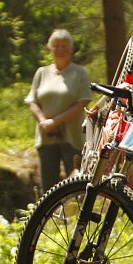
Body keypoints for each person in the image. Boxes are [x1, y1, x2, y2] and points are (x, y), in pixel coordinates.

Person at [25, 29, 91, 194]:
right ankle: (49, 218)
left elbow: (83, 102)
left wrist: (56, 121)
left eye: (64, 46)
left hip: (73, 137)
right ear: (50, 48)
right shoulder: (42, 73)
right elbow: (32, 101)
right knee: (48, 187)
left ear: (70, 49)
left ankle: (78, 216)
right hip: (47, 138)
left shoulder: (80, 73)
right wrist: (43, 121)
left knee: (77, 183)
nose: (60, 49)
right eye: (56, 46)